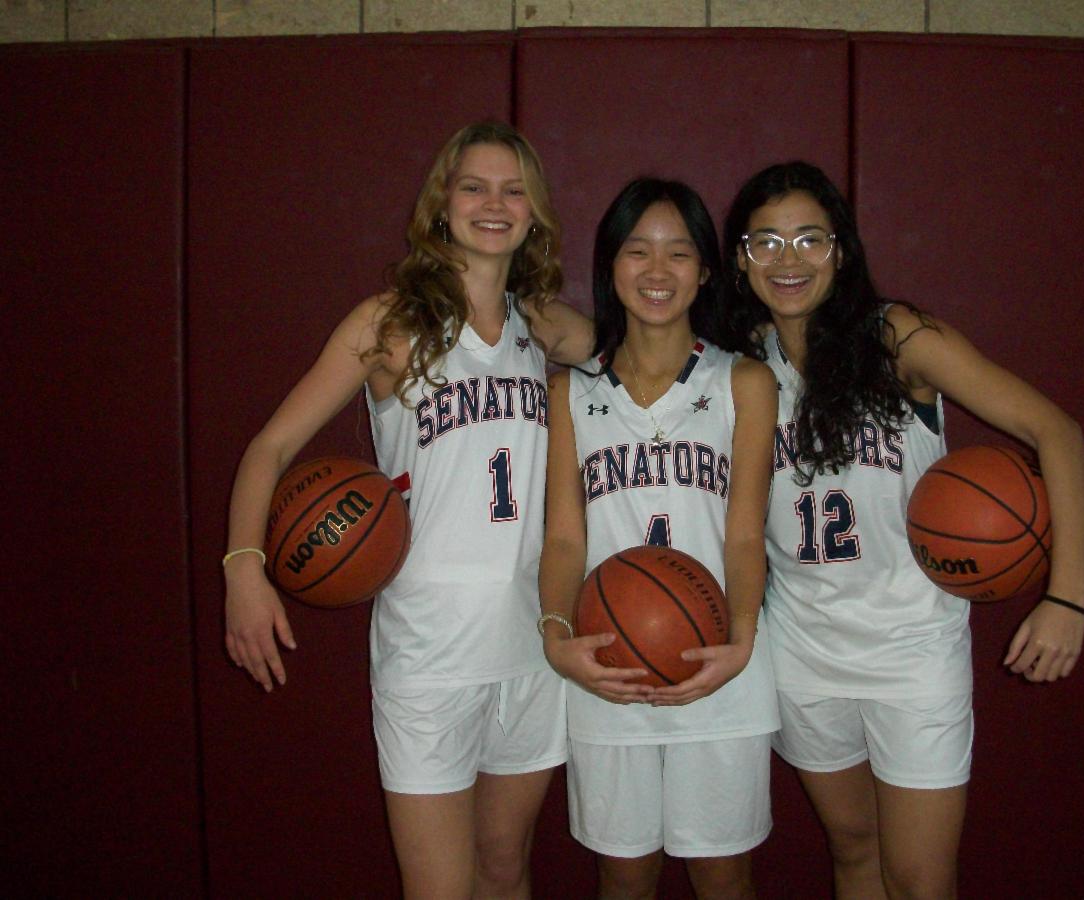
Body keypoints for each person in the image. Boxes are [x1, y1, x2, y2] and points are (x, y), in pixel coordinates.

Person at [222, 121, 593, 899]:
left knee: (505, 869)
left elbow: (652, 353)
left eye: (514, 190)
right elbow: (269, 448)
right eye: (474, 186)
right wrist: (243, 572)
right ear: (442, 204)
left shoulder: (546, 325)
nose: (494, 203)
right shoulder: (388, 323)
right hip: (428, 653)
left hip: (532, 640)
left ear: (535, 213)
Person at [722, 161, 1084, 898]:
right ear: (740, 259)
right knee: (854, 850)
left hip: (913, 650)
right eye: (765, 242)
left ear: (841, 249)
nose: (787, 260)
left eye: (808, 239)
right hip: (803, 650)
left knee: (922, 878)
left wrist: (1068, 596)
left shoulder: (897, 339)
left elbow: (1057, 431)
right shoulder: (742, 366)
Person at [538, 179, 780, 900]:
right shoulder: (570, 390)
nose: (657, 270)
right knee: (625, 876)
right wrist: (557, 637)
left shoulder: (745, 380)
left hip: (721, 659)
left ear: (705, 270)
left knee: (723, 874)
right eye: (637, 251)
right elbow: (562, 539)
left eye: (679, 253)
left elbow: (743, 535)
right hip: (608, 664)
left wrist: (739, 642)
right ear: (610, 266)